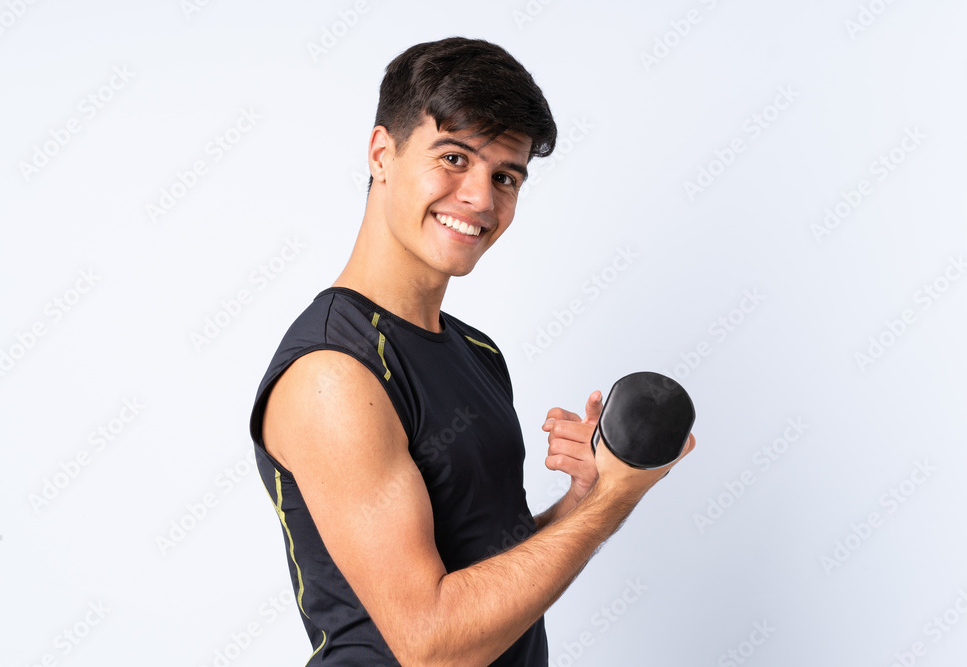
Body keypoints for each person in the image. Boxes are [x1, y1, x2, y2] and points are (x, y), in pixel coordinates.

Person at [248, 36, 696, 666]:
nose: (481, 199)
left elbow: (485, 576)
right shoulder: (334, 373)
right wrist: (619, 500)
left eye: (505, 177)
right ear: (382, 153)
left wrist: (586, 499)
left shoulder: (474, 351)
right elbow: (433, 644)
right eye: (454, 157)